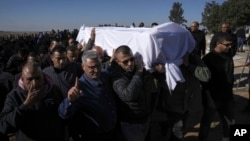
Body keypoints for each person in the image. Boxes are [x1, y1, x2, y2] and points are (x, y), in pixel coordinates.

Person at [148, 51, 211, 141]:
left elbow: (206, 76)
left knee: (178, 133)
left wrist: (189, 65)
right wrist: (160, 72)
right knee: (164, 131)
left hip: (185, 106)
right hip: (167, 106)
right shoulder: (162, 58)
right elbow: (152, 84)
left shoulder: (193, 58)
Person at [58, 50, 117, 141]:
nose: (96, 70)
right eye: (92, 67)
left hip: (113, 130)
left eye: (98, 66)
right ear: (83, 67)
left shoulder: (105, 75)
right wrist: (70, 101)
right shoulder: (80, 88)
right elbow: (63, 114)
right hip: (96, 135)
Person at [0, 62, 65, 141]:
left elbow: (63, 117)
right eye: (29, 79)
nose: (34, 83)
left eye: (38, 78)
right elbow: (3, 126)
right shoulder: (15, 96)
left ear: (43, 77)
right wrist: (25, 106)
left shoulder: (54, 90)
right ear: (23, 80)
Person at [110, 45, 157, 141]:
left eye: (131, 59)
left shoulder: (137, 70)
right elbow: (128, 95)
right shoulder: (117, 77)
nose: (130, 63)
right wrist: (139, 73)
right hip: (131, 123)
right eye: (125, 61)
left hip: (145, 118)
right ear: (117, 62)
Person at [199, 33, 235, 141]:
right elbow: (204, 81)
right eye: (227, 45)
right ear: (218, 43)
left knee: (230, 121)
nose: (229, 47)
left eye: (231, 45)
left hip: (227, 96)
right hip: (212, 97)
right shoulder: (208, 59)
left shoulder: (228, 56)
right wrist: (210, 98)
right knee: (207, 121)